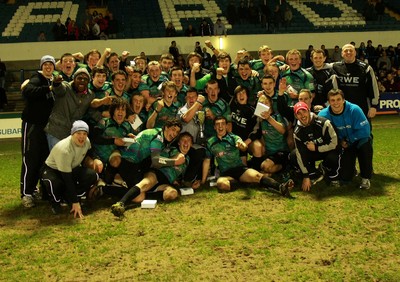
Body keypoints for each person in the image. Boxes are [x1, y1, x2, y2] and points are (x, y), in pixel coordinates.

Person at [202, 116, 293, 197]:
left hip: (240, 169)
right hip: (226, 173)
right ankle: (245, 182)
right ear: (214, 127)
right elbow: (207, 161)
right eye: (217, 124)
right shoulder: (210, 142)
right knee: (222, 184)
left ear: (226, 126)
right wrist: (203, 181)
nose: (220, 126)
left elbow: (243, 146)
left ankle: (281, 187)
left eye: (222, 124)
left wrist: (242, 146)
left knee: (257, 176)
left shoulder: (233, 137)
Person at [111, 131, 191, 217]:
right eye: (183, 140)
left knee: (172, 194)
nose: (186, 143)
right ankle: (121, 203)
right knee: (146, 183)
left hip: (166, 181)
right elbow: (157, 160)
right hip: (156, 173)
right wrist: (175, 160)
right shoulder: (171, 149)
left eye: (189, 141)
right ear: (178, 143)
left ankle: (142, 193)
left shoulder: (188, 159)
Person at [41, 120, 98, 217]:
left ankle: (72, 196)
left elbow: (90, 152)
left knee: (92, 175)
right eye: (78, 133)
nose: (82, 137)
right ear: (72, 134)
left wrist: (96, 159)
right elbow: (67, 178)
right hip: (53, 170)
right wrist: (74, 202)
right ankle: (55, 201)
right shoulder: (65, 149)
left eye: (84, 133)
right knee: (55, 184)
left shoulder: (87, 141)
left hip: (71, 168)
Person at [20, 55, 56, 208]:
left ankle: (40, 190)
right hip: (33, 125)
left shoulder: (54, 81)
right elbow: (27, 90)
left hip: (46, 128)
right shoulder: (37, 78)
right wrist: (48, 88)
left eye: (51, 64)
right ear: (41, 66)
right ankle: (26, 193)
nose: (48, 67)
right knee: (30, 159)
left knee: (43, 160)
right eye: (45, 64)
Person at [319, 89, 373, 189]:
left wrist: (349, 140)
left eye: (338, 99)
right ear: (328, 102)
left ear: (343, 100)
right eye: (332, 100)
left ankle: (366, 178)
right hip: (342, 143)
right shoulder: (323, 115)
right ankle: (346, 169)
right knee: (346, 178)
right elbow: (323, 135)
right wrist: (339, 142)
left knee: (366, 147)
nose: (336, 103)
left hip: (358, 140)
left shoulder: (354, 109)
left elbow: (365, 131)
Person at [292, 102, 340, 191]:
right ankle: (313, 174)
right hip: (312, 152)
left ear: (309, 111)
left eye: (304, 112)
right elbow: (300, 154)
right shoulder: (297, 132)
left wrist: (317, 148)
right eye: (299, 113)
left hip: (328, 150)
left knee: (334, 157)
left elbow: (335, 144)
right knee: (294, 155)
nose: (302, 115)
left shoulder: (324, 123)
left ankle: (330, 172)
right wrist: (305, 176)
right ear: (295, 116)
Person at [45, 68, 95, 149]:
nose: (82, 80)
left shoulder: (90, 95)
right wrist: (56, 83)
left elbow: (91, 112)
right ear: (74, 79)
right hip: (56, 131)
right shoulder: (66, 87)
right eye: (79, 78)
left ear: (88, 82)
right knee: (58, 160)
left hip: (72, 135)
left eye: (85, 79)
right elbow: (58, 89)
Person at [331, 43, 379, 120]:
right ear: (342, 54)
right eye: (346, 51)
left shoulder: (366, 68)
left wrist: (374, 106)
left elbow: (373, 87)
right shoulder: (335, 67)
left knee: (364, 132)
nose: (348, 53)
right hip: (342, 109)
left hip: (362, 109)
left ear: (355, 53)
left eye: (351, 50)